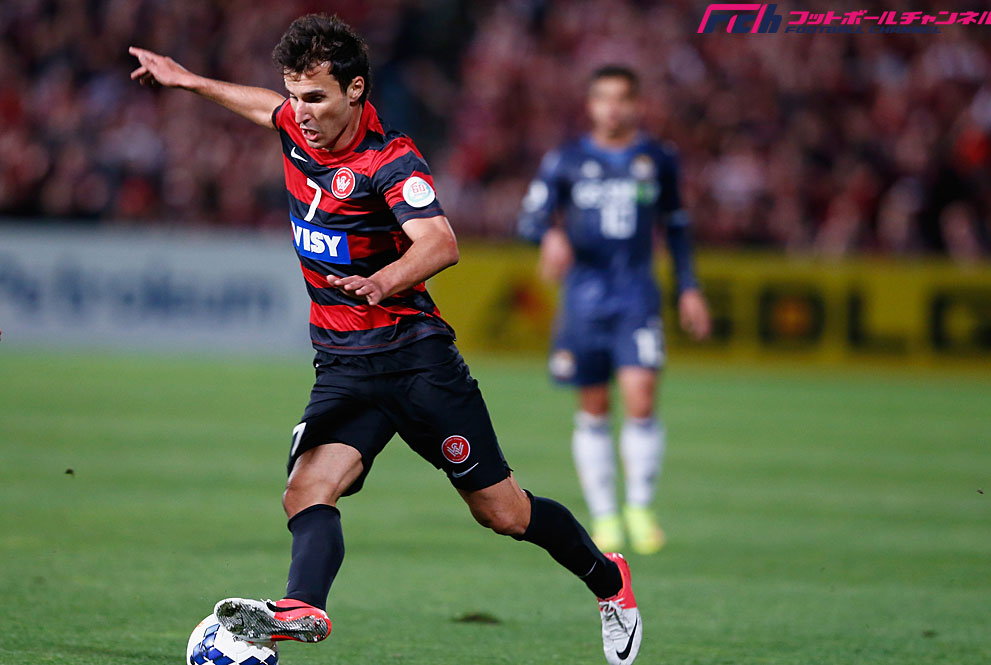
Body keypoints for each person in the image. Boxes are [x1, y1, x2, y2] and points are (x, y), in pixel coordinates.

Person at [130, 14, 642, 665]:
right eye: (294, 95)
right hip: (344, 365)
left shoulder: (390, 160)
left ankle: (608, 579)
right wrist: (190, 81)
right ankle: (303, 606)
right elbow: (264, 108)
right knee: (306, 489)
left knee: (504, 513)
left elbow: (441, 242)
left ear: (355, 90)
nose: (300, 112)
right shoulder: (297, 127)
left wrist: (384, 280)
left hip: (415, 361)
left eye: (315, 97)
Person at [517, 65, 711, 555]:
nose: (612, 108)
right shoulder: (566, 159)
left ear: (636, 104)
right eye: (603, 98)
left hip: (636, 295)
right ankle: (605, 515)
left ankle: (640, 508)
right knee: (594, 405)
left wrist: (689, 288)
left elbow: (677, 226)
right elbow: (530, 218)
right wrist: (550, 235)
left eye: (622, 98)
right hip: (583, 300)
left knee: (641, 397)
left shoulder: (657, 158)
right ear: (590, 105)